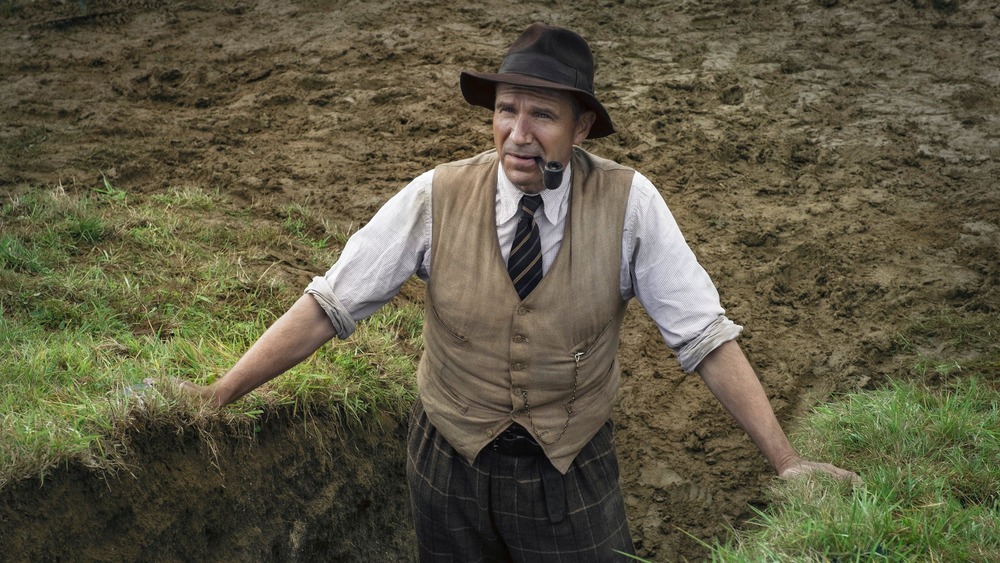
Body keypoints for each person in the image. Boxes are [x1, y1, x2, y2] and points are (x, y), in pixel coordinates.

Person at [179, 22, 859, 562]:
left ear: (581, 126)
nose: (518, 133)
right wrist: (220, 393)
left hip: (569, 472)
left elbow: (705, 338)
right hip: (446, 466)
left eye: (543, 115)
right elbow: (332, 303)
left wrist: (787, 460)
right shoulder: (436, 195)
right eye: (507, 111)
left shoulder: (630, 204)